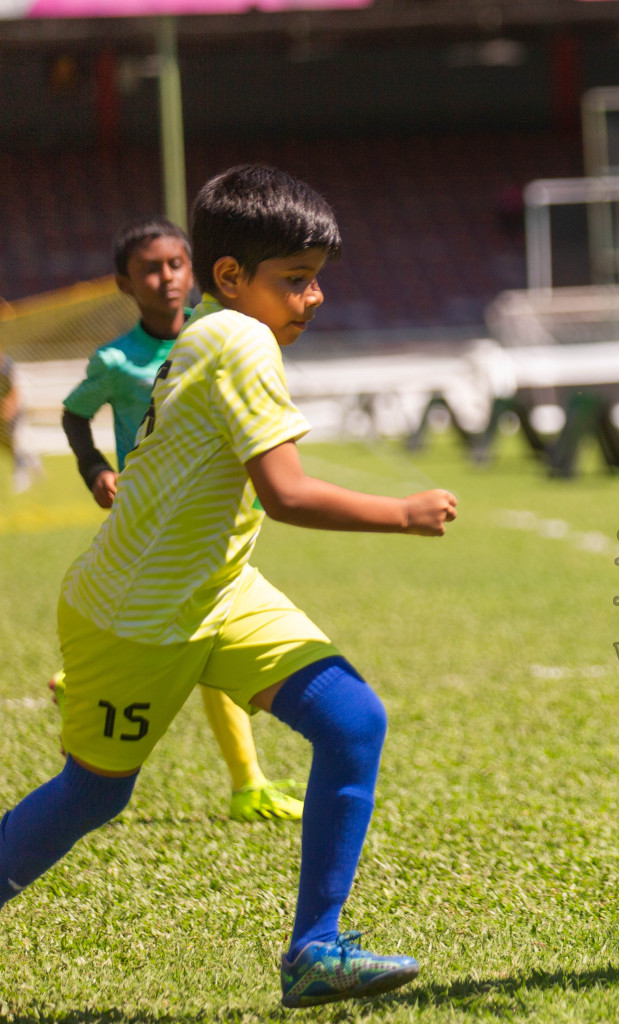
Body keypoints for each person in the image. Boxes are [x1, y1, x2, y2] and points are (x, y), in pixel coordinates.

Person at [0, 165, 459, 1008]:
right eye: (296, 280)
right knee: (93, 795)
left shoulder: (213, 331)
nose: (313, 298)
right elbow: (285, 494)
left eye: (317, 277)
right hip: (135, 615)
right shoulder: (240, 340)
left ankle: (315, 951)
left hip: (217, 591)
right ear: (231, 278)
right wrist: (403, 512)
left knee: (354, 721)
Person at [54, 216, 304, 824]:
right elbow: (73, 414)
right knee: (197, 632)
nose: (165, 278)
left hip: (219, 517)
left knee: (207, 631)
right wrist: (94, 470)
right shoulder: (116, 360)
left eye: (175, 265)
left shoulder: (218, 332)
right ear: (123, 283)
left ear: (194, 270)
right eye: (148, 268)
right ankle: (243, 780)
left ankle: (247, 782)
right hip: (151, 523)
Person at [0, 351, 42, 493]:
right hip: (4, 407)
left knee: (17, 438)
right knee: (6, 442)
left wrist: (10, 408)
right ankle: (32, 459)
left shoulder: (6, 365)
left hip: (17, 406)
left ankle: (21, 474)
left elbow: (16, 390)